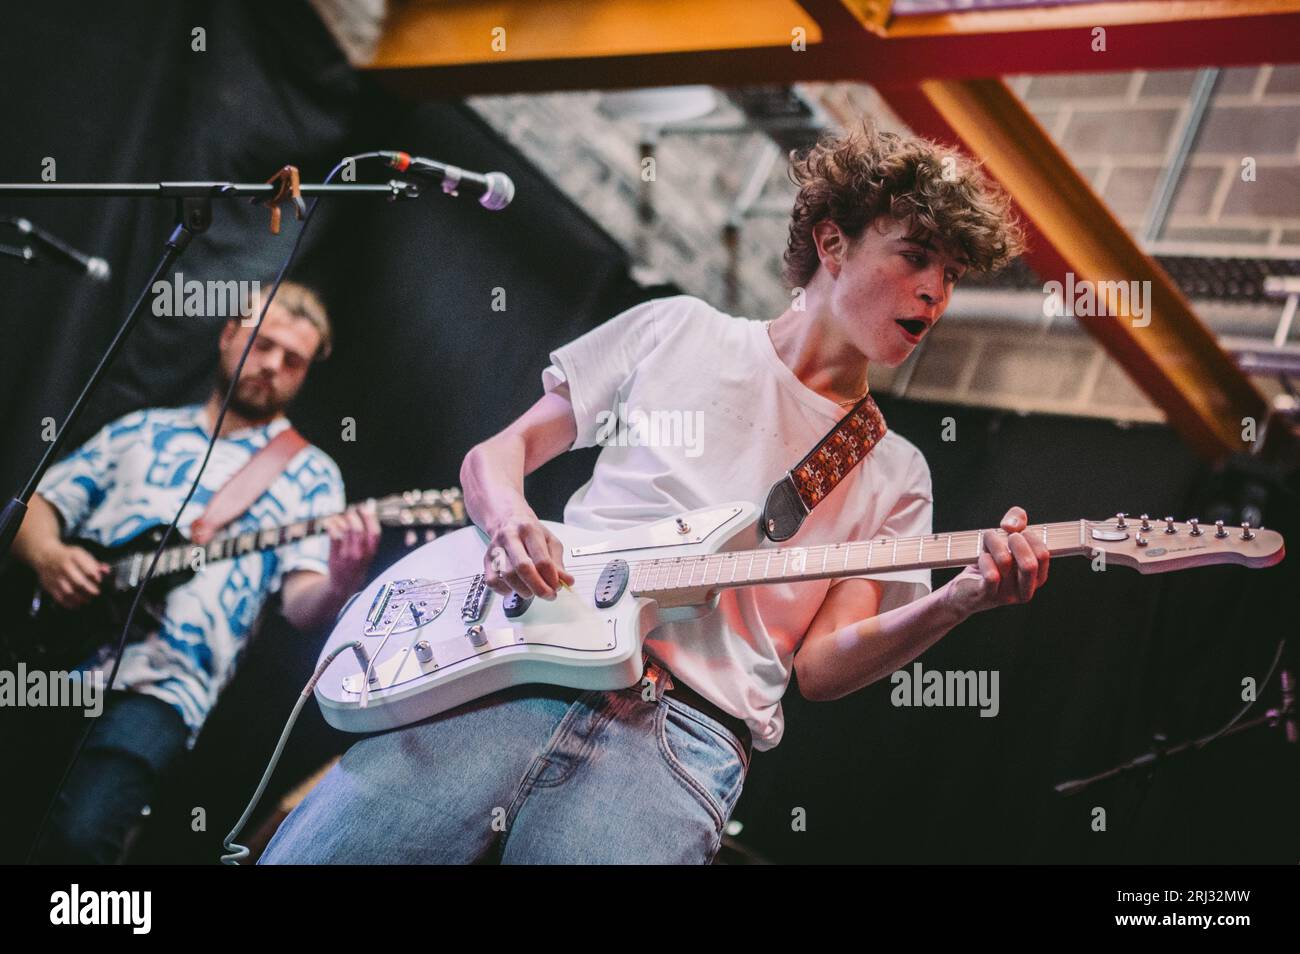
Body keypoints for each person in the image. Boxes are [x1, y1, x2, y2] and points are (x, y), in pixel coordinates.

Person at [261, 122, 1051, 865]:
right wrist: (508, 523)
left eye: (951, 275)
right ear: (833, 243)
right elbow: (498, 455)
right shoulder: (681, 330)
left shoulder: (895, 470)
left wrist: (961, 601)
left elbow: (823, 667)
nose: (935, 293)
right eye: (916, 257)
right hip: (516, 673)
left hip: (680, 741)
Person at [10, 281, 381, 863]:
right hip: (48, 658)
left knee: (82, 841)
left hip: (165, 690)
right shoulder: (144, 428)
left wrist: (344, 576)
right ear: (229, 333)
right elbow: (34, 509)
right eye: (263, 344)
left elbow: (301, 607)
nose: (273, 366)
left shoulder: (311, 475)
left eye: (294, 361)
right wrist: (51, 557)